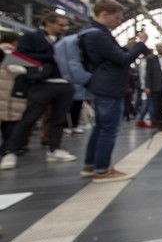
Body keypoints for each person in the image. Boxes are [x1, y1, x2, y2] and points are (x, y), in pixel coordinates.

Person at [79, 0, 147, 182]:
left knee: (100, 127)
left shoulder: (91, 33)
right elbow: (122, 60)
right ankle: (102, 170)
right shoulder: (97, 35)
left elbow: (112, 56)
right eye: (116, 18)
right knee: (109, 129)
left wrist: (128, 47)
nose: (118, 22)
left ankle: (90, 165)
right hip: (108, 86)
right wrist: (140, 45)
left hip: (102, 84)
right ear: (104, 14)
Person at [0, 11, 75, 170]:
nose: (64, 28)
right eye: (60, 25)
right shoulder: (31, 37)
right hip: (41, 83)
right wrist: (50, 58)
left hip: (63, 82)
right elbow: (21, 55)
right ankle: (10, 151)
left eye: (65, 25)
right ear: (48, 23)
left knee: (58, 119)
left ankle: (54, 148)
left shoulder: (65, 41)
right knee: (29, 118)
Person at [55, 25, 97, 136]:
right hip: (73, 79)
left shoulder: (64, 43)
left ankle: (71, 125)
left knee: (73, 105)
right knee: (70, 105)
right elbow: (73, 63)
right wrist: (85, 77)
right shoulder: (71, 43)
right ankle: (70, 125)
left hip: (72, 80)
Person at [0, 31, 27, 156]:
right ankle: (8, 147)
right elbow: (19, 70)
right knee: (11, 119)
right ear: (14, 42)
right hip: (11, 91)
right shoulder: (12, 54)